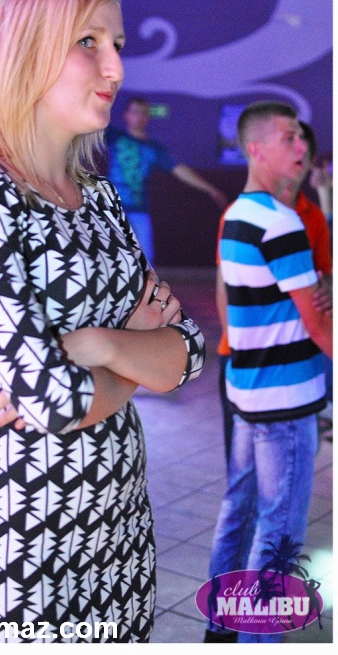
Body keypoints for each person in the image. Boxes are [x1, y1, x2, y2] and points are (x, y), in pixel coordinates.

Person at [0, 0, 205, 643]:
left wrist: (97, 346)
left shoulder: (99, 199)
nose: (116, 67)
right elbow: (54, 401)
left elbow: (189, 354)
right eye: (88, 41)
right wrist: (132, 351)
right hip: (23, 543)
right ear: (21, 50)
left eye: (117, 44)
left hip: (120, 534)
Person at [205, 101, 332, 644]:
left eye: (302, 137)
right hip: (284, 402)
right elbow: (319, 325)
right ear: (255, 150)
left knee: (240, 510)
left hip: (250, 392)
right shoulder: (281, 222)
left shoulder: (239, 214)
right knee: (279, 534)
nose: (302, 146)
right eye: (289, 137)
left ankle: (220, 627)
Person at [215, 120, 332, 464]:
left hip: (294, 365)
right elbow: (224, 286)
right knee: (246, 467)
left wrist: (328, 290)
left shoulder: (313, 217)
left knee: (286, 465)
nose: (298, 156)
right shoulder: (243, 215)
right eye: (289, 145)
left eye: (303, 152)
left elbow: (324, 277)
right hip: (245, 359)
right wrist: (237, 345)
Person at [105, 97, 228, 264]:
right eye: (135, 112)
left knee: (145, 261)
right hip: (111, 208)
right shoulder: (114, 136)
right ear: (126, 115)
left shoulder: (154, 147)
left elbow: (180, 170)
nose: (140, 117)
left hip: (139, 210)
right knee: (110, 260)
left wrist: (209, 189)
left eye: (144, 113)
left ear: (148, 117)